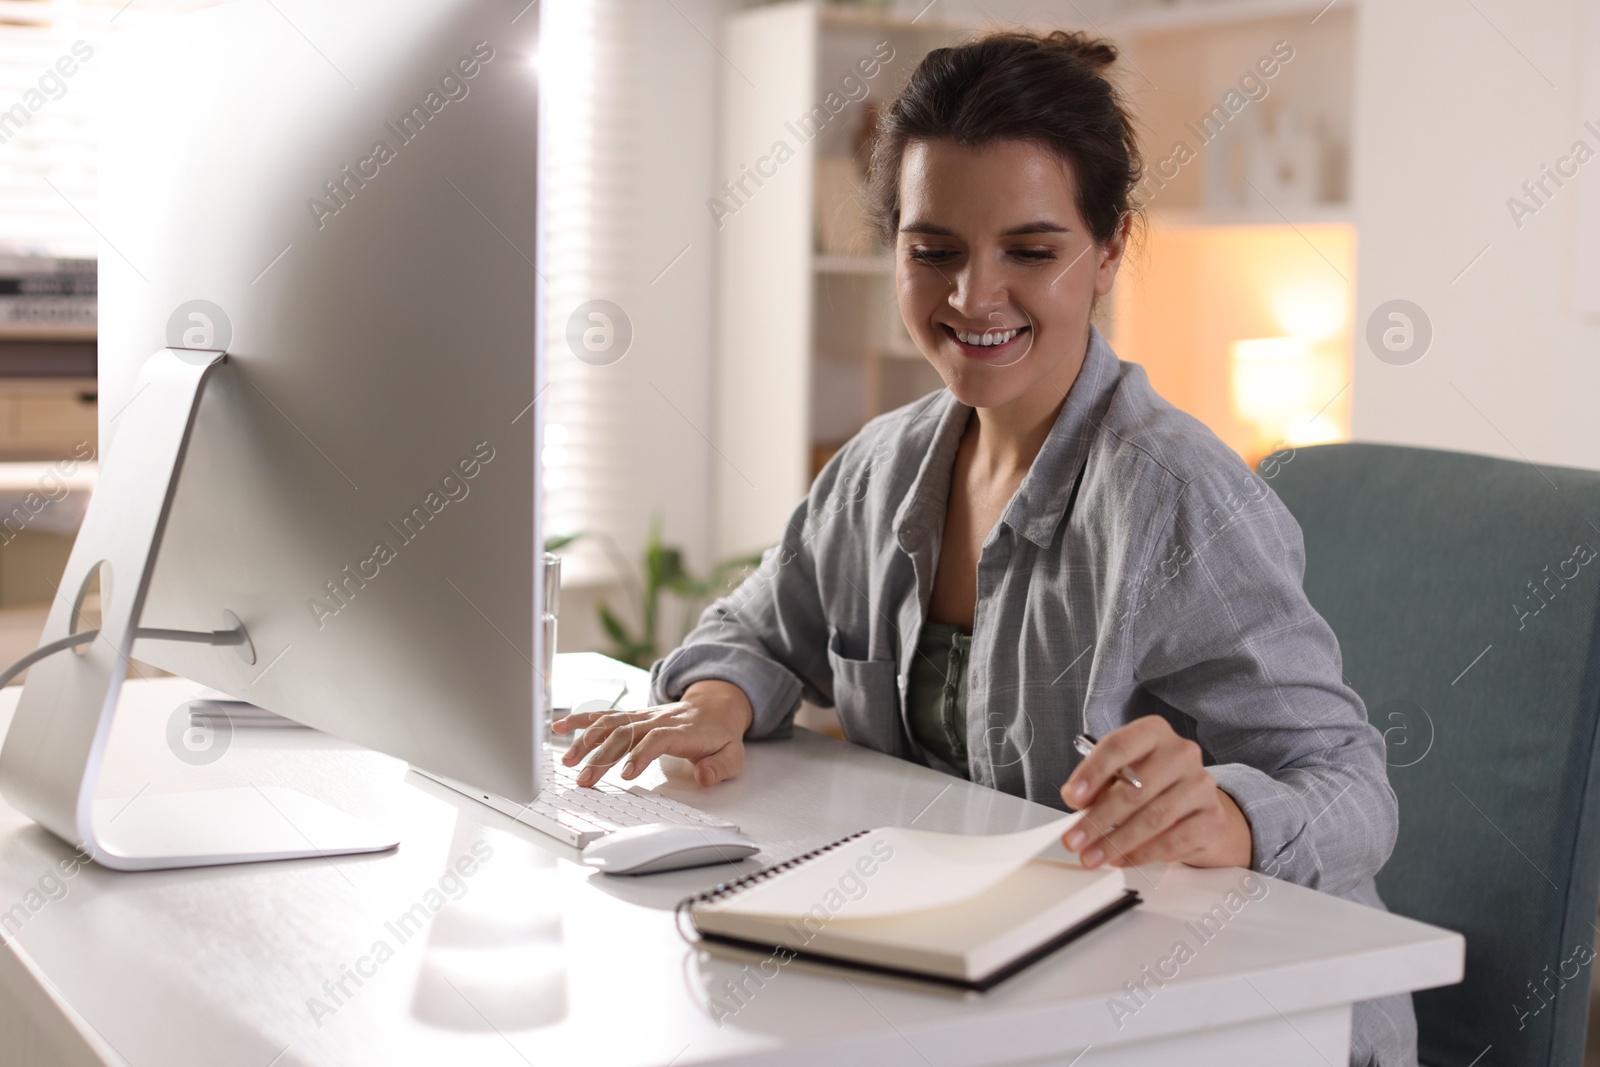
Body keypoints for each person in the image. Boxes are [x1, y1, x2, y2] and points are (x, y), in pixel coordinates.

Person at [553, 29, 1413, 1067]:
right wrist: (717, 700)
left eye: (1031, 251)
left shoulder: (1178, 497)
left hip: (1243, 1019)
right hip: (990, 991)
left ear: (1107, 252)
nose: (972, 296)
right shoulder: (883, 464)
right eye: (935, 250)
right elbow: (762, 625)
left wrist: (1229, 812)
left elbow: (1352, 784)